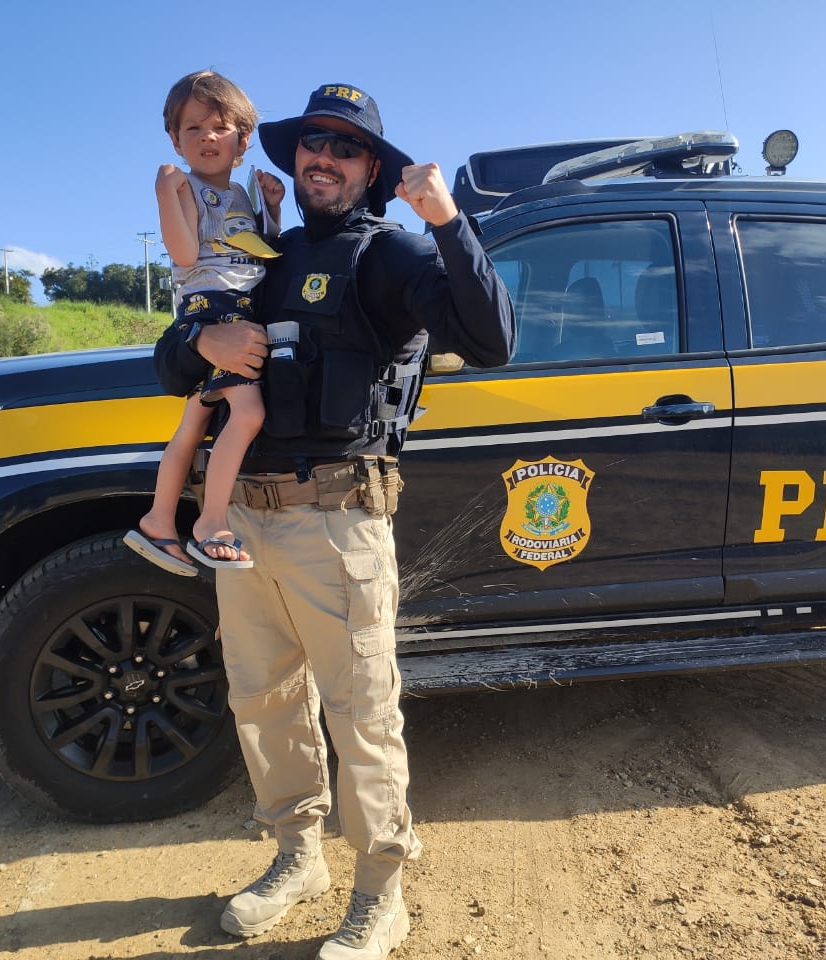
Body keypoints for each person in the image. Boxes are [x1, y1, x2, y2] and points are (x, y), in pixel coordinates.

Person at [154, 83, 515, 958]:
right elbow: (174, 355)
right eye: (313, 142)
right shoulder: (260, 252)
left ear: (372, 169)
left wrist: (448, 223)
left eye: (346, 147)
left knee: (361, 716)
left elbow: (493, 340)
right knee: (263, 701)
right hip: (244, 523)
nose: (324, 157)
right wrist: (200, 343)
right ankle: (297, 855)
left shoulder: (390, 255)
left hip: (335, 520)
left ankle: (380, 893)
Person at [125, 70, 284, 575]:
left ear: (243, 139)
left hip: (235, 304)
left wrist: (273, 208)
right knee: (248, 412)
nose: (206, 136)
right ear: (176, 141)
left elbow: (261, 252)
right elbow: (185, 253)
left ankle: (158, 519)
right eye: (192, 128)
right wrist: (165, 194)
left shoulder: (241, 193)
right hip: (214, 306)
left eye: (219, 126)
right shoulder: (186, 187)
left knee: (194, 421)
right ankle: (212, 521)